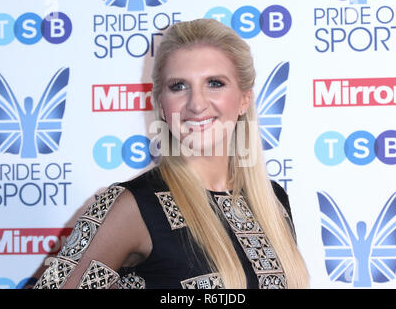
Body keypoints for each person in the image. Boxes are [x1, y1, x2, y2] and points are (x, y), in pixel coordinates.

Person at [34, 18, 309, 289]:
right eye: (179, 86)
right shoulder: (133, 206)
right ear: (162, 105)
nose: (197, 104)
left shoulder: (273, 201)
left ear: (244, 99)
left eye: (214, 83)